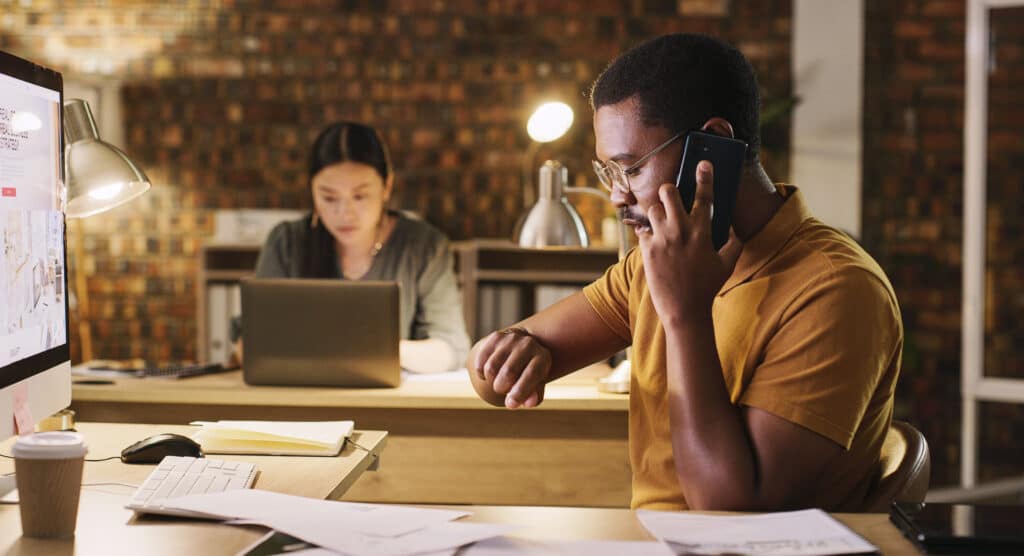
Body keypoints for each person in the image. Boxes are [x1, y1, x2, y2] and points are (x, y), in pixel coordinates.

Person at [467, 34, 902, 512]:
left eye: (630, 169)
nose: (616, 196)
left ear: (712, 144)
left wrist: (685, 315)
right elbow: (490, 381)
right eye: (607, 172)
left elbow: (729, 513)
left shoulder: (836, 289)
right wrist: (512, 352)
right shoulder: (652, 262)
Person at [235, 122, 470, 374]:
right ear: (312, 192)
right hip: (299, 400)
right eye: (329, 197)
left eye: (360, 196)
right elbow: (249, 343)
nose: (344, 212)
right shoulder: (287, 243)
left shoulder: (424, 246)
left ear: (386, 187)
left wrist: (365, 349)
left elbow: (451, 349)